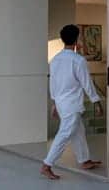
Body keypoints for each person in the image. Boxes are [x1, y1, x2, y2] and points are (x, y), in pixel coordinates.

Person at [41, 24, 103, 180]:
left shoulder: (55, 60)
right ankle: (47, 165)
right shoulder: (78, 60)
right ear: (77, 39)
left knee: (78, 131)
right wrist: (96, 101)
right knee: (65, 134)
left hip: (62, 103)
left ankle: (85, 160)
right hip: (72, 104)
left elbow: (53, 83)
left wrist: (54, 103)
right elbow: (86, 82)